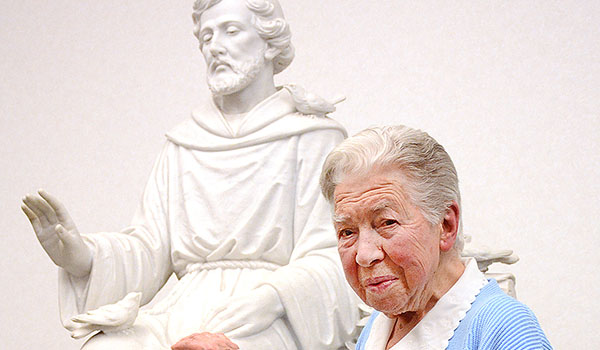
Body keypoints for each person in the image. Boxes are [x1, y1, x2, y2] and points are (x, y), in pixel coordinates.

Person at [21, 0, 357, 349]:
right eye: (206, 36)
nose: (215, 46)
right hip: (183, 307)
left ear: (270, 41)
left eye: (231, 30)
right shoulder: (184, 143)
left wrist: (273, 298)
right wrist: (82, 256)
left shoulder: (314, 137)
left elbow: (334, 251)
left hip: (268, 312)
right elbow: (150, 247)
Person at [319, 125, 552, 350]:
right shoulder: (382, 324)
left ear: (446, 224)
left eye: (388, 222)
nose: (364, 255)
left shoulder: (506, 330)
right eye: (347, 232)